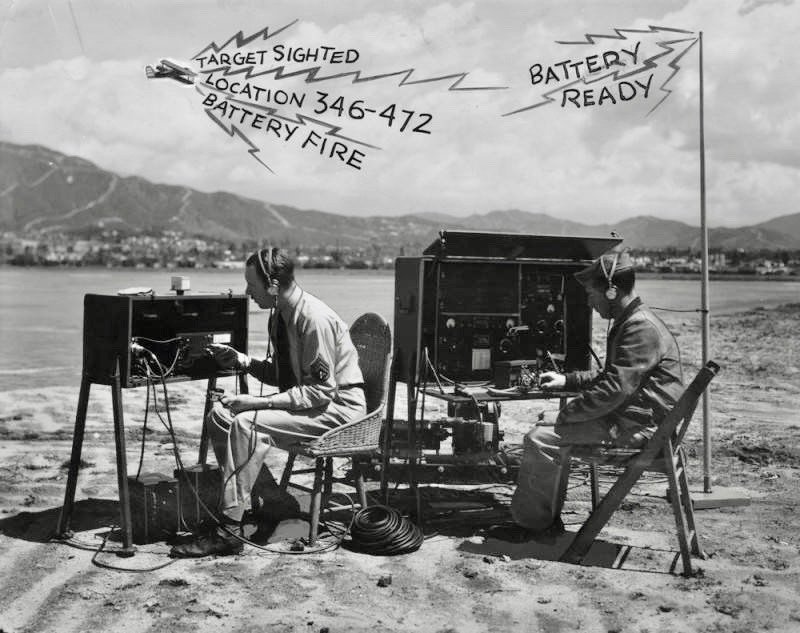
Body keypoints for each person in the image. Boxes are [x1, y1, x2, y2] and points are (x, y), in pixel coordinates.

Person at [171, 247, 366, 557]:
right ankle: (273, 500)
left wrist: (255, 403)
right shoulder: (280, 315)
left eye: (252, 285)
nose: (248, 293)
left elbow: (320, 391)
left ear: (273, 285)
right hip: (316, 403)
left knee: (246, 423)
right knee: (220, 417)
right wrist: (245, 361)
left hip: (340, 409)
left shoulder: (312, 318)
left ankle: (229, 528)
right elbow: (283, 376)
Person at [499, 250, 684, 540]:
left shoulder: (639, 328)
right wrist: (567, 380)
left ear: (611, 291)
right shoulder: (634, 320)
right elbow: (611, 377)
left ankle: (534, 527)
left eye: (591, 294)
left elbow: (613, 390)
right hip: (636, 421)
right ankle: (544, 518)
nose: (589, 302)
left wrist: (566, 414)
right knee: (546, 426)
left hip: (642, 432)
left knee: (540, 438)